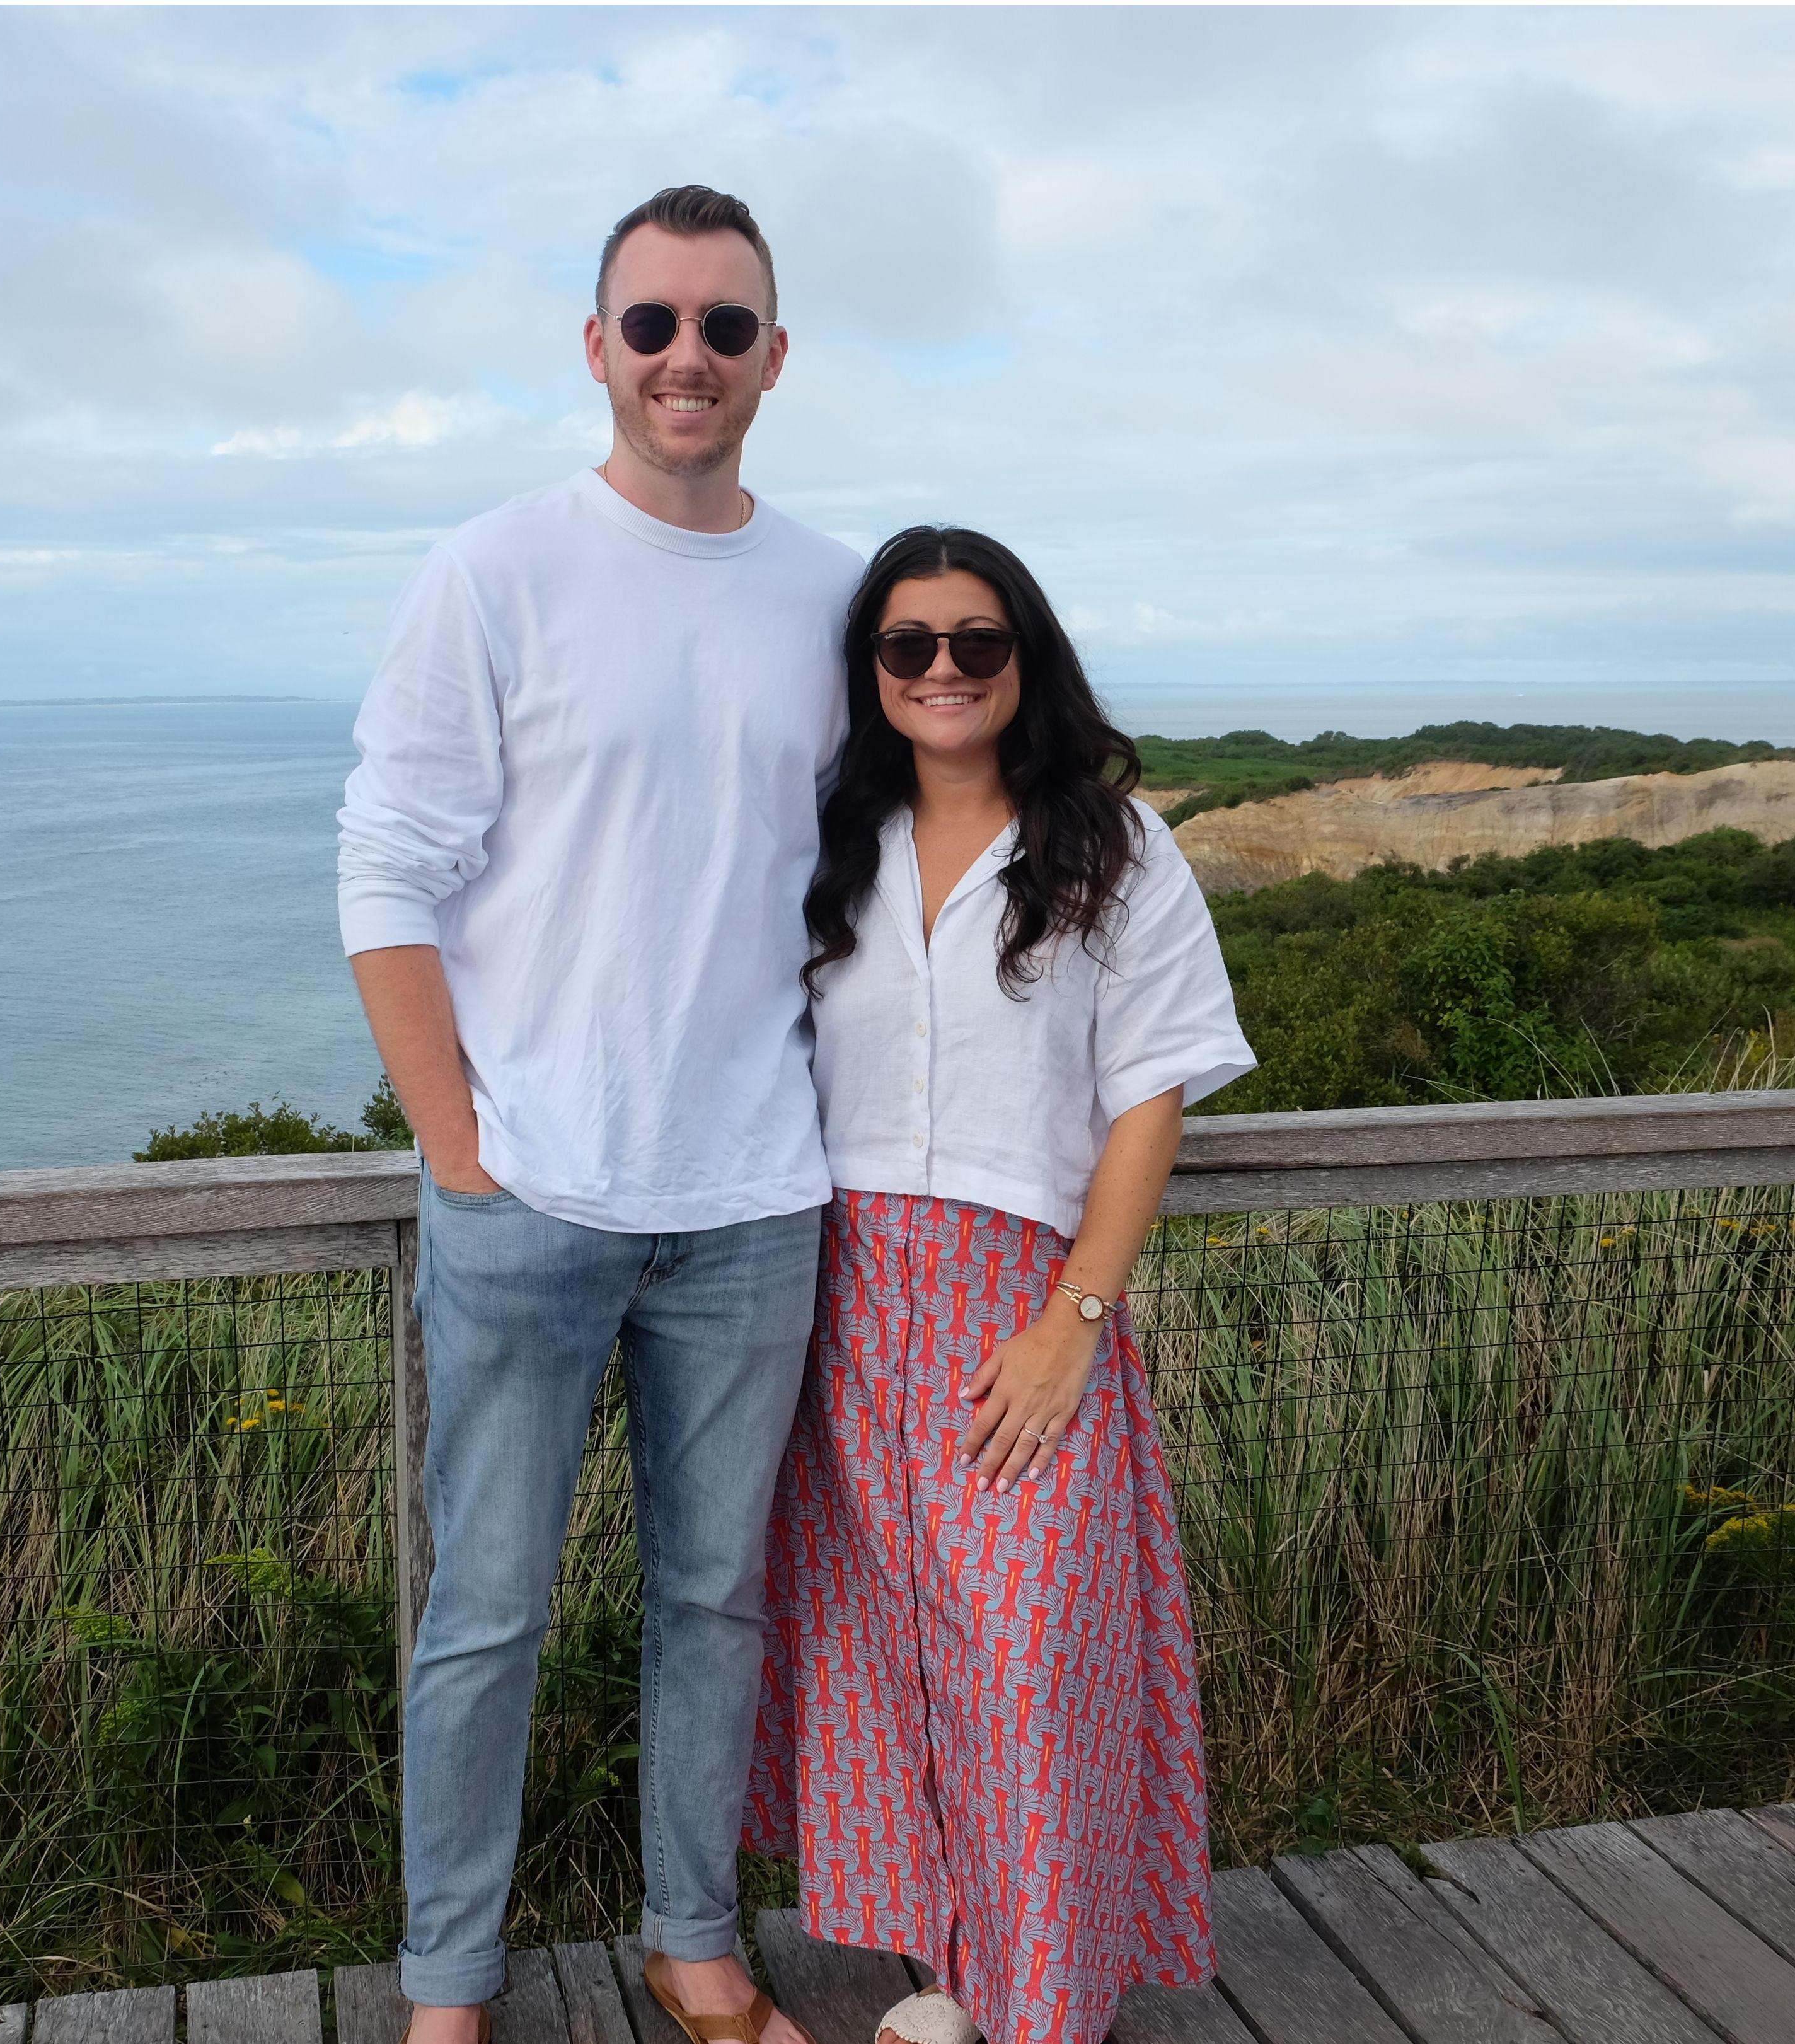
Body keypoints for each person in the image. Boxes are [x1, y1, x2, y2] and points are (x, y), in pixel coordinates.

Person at [338, 186, 858, 2044]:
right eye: (652, 323)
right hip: (531, 1192)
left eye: (723, 325)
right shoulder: (492, 569)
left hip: (755, 1194)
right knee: (484, 1611)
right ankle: (448, 1986)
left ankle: (693, 1940)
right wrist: (457, 1144)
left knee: (715, 1601)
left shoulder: (834, 596)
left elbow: (877, 860)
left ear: (774, 356)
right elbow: (387, 867)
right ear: (596, 348)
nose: (685, 356)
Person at [744, 528, 1255, 2044]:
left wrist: (1073, 1320)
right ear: (870, 669)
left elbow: (1150, 1093)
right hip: (837, 1289)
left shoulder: (1112, 847)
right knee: (880, 1646)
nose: (943, 669)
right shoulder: (827, 842)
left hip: (1017, 1294)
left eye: (977, 640)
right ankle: (954, 1973)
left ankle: (1044, 2005)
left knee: (1029, 1654)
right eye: (907, 644)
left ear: (1024, 657)